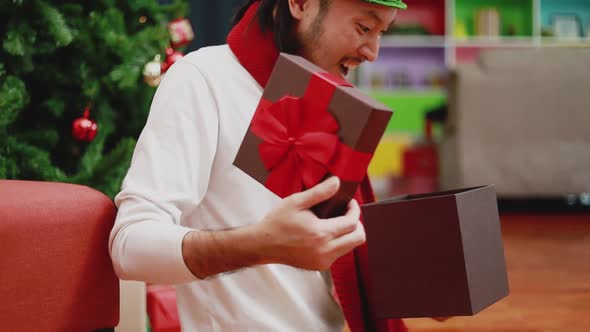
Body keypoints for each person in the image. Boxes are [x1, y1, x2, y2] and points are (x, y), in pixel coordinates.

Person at [109, 0, 407, 331]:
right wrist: (261, 245)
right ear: (301, 3)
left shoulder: (332, 100)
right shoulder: (203, 79)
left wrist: (407, 285)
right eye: (364, 28)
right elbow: (129, 246)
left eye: (382, 32)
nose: (372, 52)